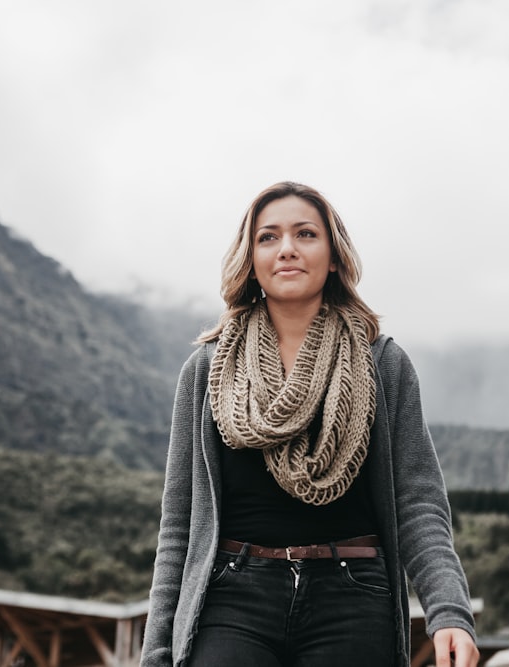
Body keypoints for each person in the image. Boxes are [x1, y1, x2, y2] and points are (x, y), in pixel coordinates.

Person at [141, 182, 478, 667]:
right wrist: (157, 652)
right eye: (268, 237)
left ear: (334, 256)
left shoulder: (383, 364)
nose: (287, 250)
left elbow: (419, 503)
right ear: (251, 257)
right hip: (230, 598)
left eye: (305, 234)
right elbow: (177, 524)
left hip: (353, 596)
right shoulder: (208, 370)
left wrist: (449, 610)